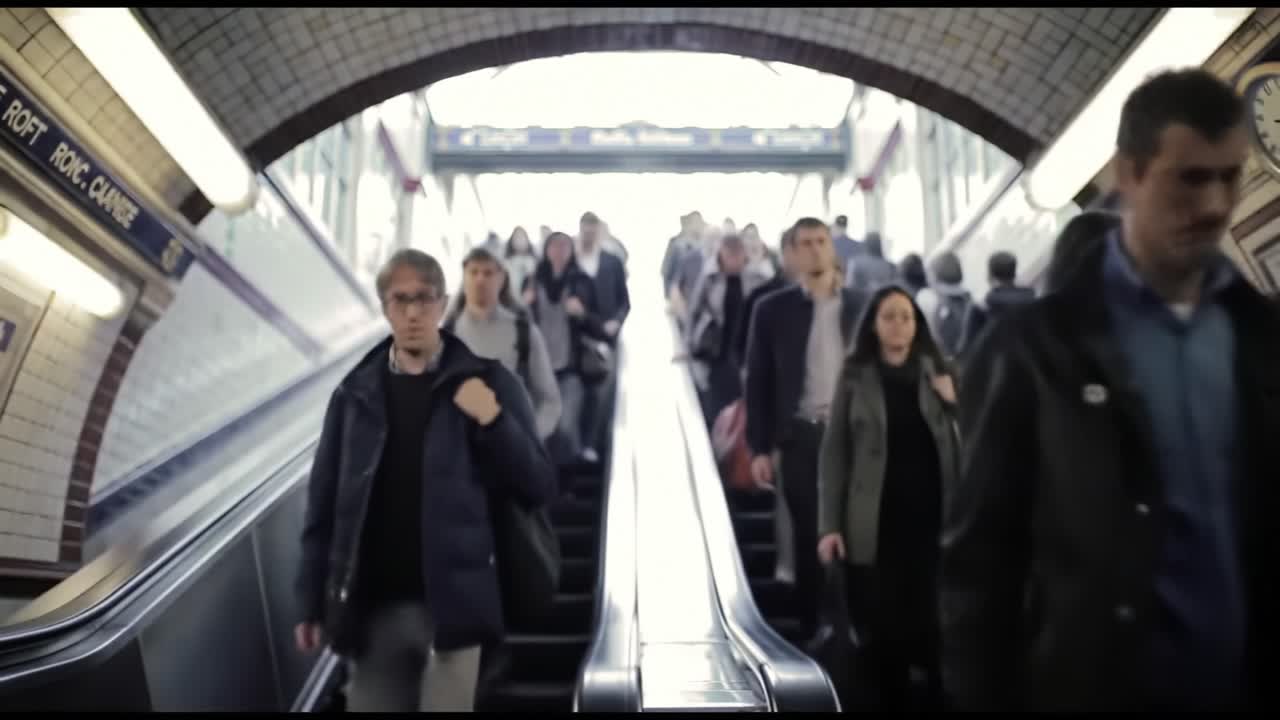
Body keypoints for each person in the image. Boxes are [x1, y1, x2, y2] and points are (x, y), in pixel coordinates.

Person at [940, 68, 1280, 712]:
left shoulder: (1260, 338)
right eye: (1189, 178)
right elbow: (980, 568)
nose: (1213, 206)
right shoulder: (1036, 352)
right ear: (1129, 174)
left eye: (1229, 177)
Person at [294, 248, 558, 712]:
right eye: (401, 300)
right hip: (374, 612)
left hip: (454, 613)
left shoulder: (490, 384)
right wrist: (310, 600)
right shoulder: (355, 396)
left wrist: (493, 420)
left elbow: (537, 486)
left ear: (442, 304)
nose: (413, 312)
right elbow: (324, 506)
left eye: (424, 299)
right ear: (384, 307)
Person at [816, 284, 959, 711]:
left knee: (936, 624)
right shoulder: (856, 375)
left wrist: (955, 399)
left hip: (935, 517)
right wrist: (830, 525)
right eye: (889, 316)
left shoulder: (941, 371)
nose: (899, 325)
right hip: (875, 521)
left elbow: (976, 437)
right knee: (883, 627)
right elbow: (835, 452)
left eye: (906, 316)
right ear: (874, 325)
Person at [744, 217, 870, 640]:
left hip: (857, 435)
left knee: (859, 528)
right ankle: (813, 624)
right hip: (802, 435)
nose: (815, 250)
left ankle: (854, 622)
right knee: (809, 534)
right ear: (792, 254)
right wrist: (759, 447)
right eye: (806, 243)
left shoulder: (863, 306)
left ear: (832, 248)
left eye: (822, 241)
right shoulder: (772, 311)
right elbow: (757, 380)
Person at [444, 247, 561, 443]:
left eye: (488, 273)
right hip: (458, 451)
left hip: (510, 448)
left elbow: (550, 400)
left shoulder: (524, 332)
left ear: (501, 278)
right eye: (474, 272)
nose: (480, 280)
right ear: (464, 278)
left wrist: (529, 438)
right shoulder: (446, 334)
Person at [524, 231, 609, 464]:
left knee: (564, 427)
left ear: (571, 251)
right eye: (554, 246)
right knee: (538, 428)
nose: (559, 251)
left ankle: (564, 482)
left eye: (564, 247)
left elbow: (599, 326)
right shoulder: (533, 280)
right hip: (537, 368)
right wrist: (525, 305)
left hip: (570, 368)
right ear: (546, 250)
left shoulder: (581, 281)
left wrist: (581, 314)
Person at [684, 233, 771, 426]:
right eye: (730, 256)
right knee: (717, 403)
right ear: (722, 254)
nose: (734, 261)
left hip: (745, 346)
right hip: (717, 348)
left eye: (738, 256)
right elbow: (694, 311)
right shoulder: (710, 277)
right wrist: (688, 346)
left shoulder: (755, 276)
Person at [575, 211, 631, 463]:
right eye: (584, 229)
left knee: (602, 393)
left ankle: (594, 443)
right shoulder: (572, 262)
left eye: (592, 229)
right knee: (576, 393)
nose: (588, 233)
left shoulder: (612, 262)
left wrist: (616, 323)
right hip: (576, 339)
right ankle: (579, 444)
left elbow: (624, 301)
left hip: (606, 339)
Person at [957, 250, 1036, 353]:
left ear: (989, 275)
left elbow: (964, 348)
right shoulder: (1033, 299)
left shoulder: (980, 308)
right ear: (1014, 273)